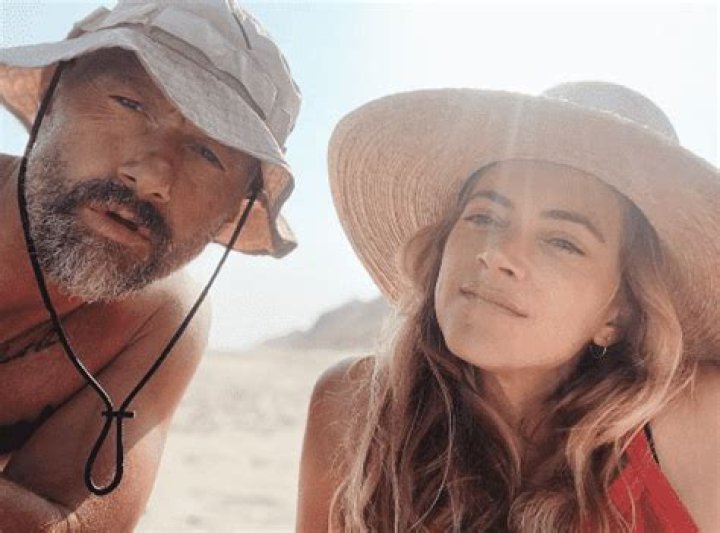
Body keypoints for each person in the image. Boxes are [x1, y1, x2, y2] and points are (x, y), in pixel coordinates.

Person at [298, 83, 719, 531]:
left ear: (619, 313)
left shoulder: (695, 423)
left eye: (562, 242)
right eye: (484, 217)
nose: (496, 253)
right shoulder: (352, 407)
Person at [0, 0, 300, 529]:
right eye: (130, 103)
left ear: (234, 210)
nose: (153, 176)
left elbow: (73, 523)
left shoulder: (158, 315)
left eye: (208, 154)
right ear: (50, 95)